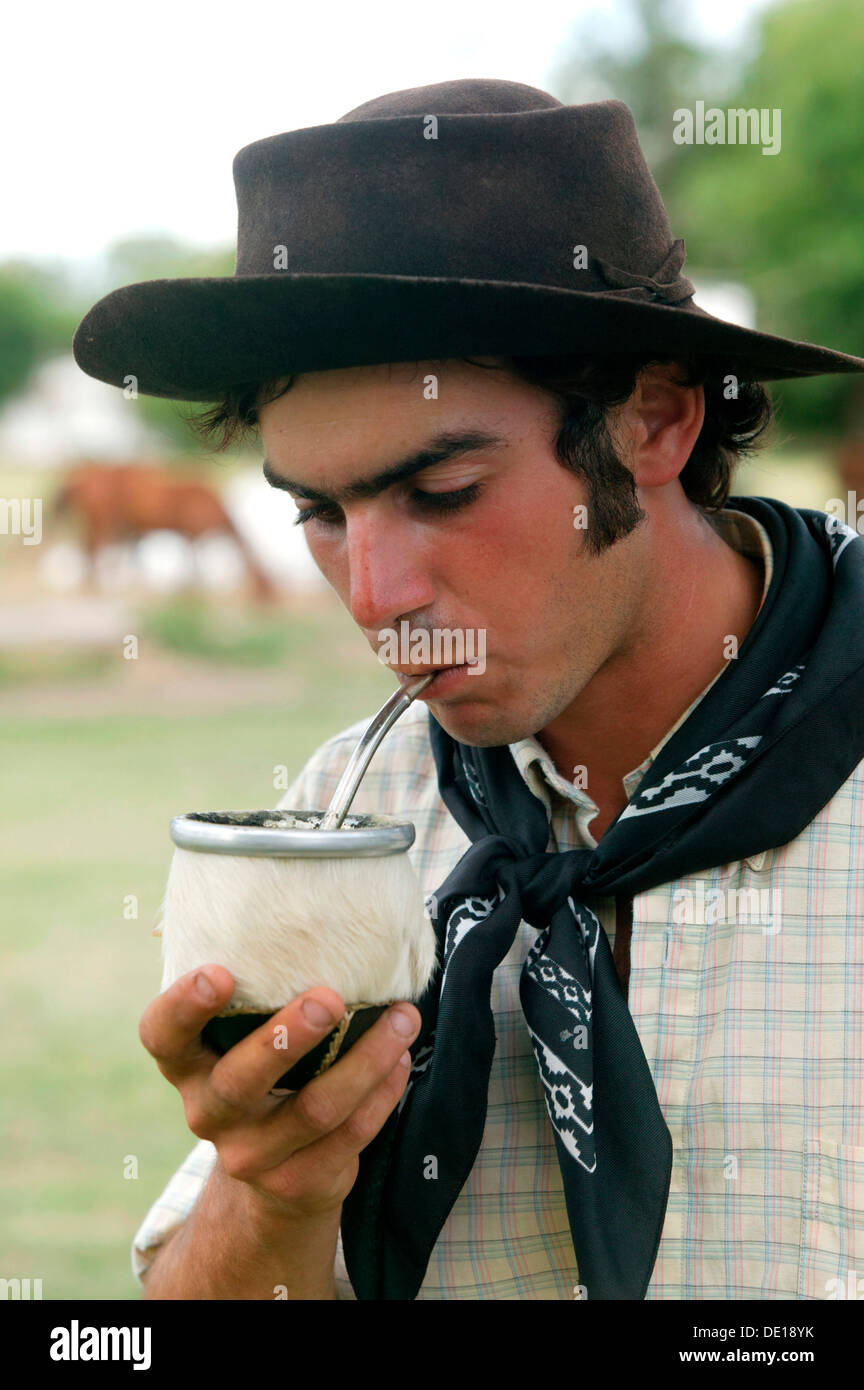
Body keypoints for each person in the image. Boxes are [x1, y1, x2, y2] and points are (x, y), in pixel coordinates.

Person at [74, 78, 864, 1301]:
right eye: (320, 514)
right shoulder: (352, 811)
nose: (376, 594)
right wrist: (269, 1184)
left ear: (654, 420)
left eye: (442, 493)